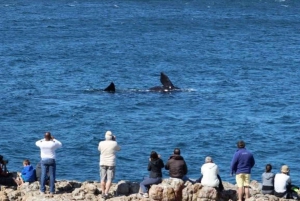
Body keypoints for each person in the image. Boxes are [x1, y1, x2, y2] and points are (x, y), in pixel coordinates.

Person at [98, 131, 121, 199]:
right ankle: (106, 193)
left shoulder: (101, 143)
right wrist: (114, 140)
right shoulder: (114, 143)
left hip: (102, 162)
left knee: (102, 179)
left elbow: (99, 149)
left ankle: (102, 192)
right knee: (109, 179)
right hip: (111, 163)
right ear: (111, 137)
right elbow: (119, 149)